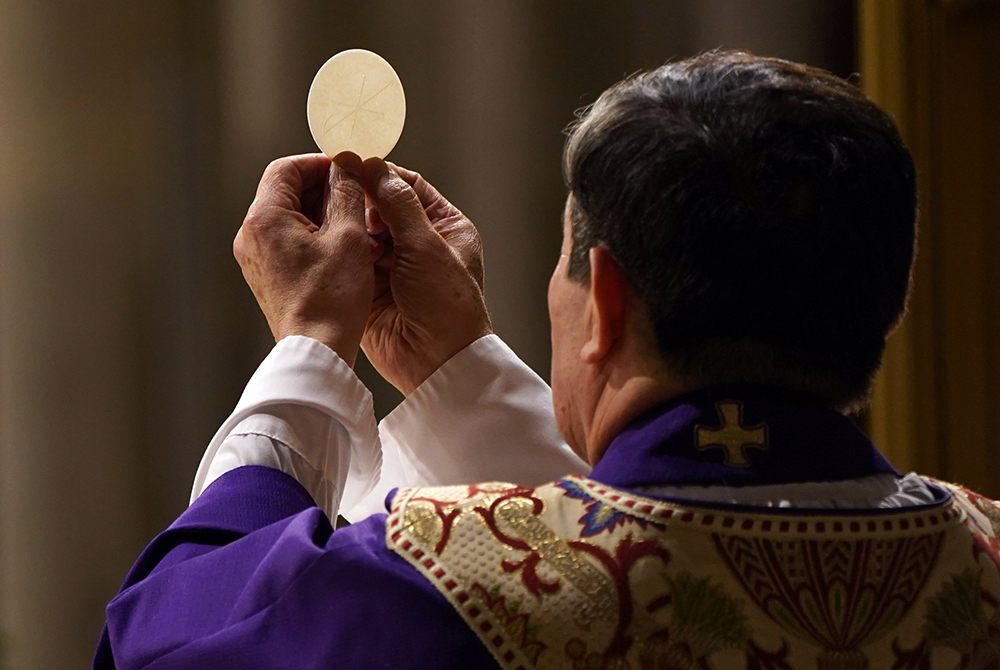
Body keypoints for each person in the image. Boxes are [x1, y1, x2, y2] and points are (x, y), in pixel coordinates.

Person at [94, 51, 1000, 670]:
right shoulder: (986, 564)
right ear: (892, 307)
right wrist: (457, 374)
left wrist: (307, 347)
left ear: (601, 297)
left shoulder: (441, 590)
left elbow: (166, 639)